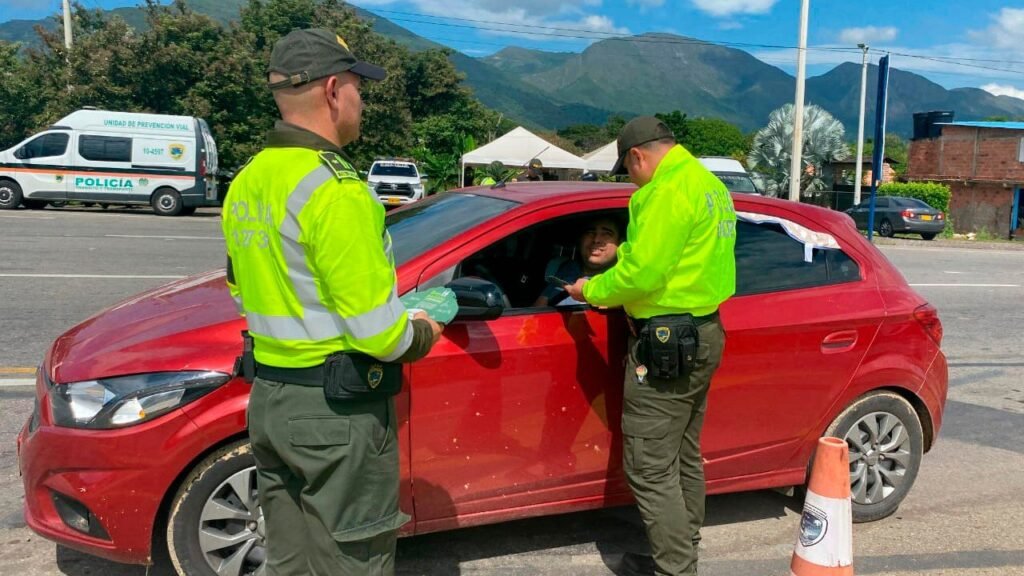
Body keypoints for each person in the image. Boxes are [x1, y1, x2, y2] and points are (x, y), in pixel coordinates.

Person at [221, 28, 443, 575]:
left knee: (290, 558)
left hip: (271, 399)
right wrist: (422, 329)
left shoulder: (248, 181)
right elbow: (379, 334)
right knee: (353, 559)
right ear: (333, 90)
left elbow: (238, 288)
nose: (361, 103)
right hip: (336, 414)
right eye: (359, 90)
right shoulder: (338, 191)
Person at [565, 116, 736, 576]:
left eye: (628, 169)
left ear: (637, 155)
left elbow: (643, 276)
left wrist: (590, 291)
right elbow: (673, 254)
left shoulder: (662, 192)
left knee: (648, 466)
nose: (631, 179)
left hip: (666, 342)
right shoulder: (707, 183)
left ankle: (675, 568)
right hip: (703, 331)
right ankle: (682, 551)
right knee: (681, 453)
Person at [534, 216, 622, 307]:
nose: (596, 240)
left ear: (620, 243)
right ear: (580, 239)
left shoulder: (622, 281)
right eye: (590, 232)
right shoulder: (565, 267)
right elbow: (539, 306)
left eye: (606, 234)